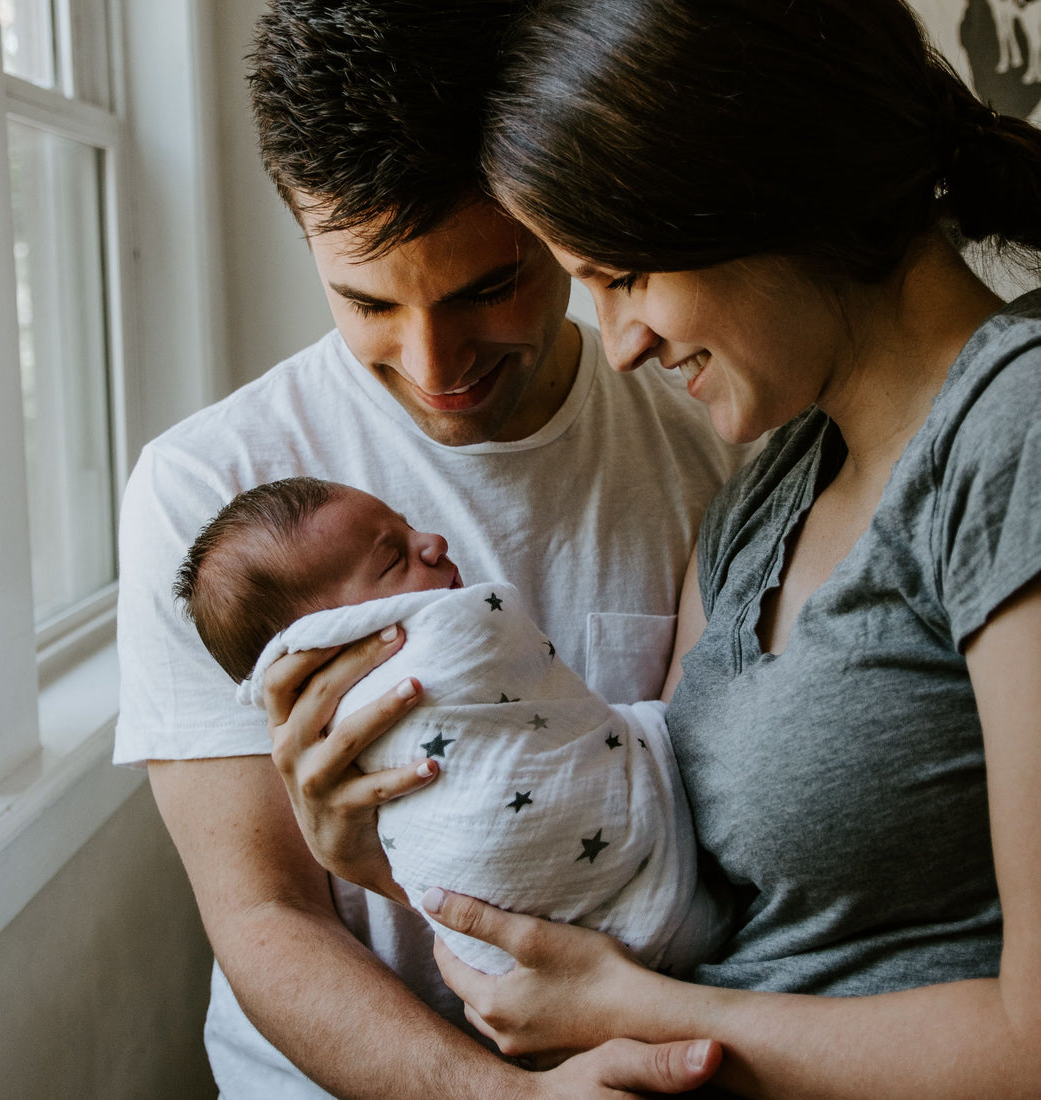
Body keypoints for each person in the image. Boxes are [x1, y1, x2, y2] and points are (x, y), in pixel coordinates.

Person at [298, 0, 1041, 1096]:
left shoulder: (1014, 430)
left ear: (770, 192)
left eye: (626, 276)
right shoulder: (768, 493)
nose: (620, 344)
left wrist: (646, 1014)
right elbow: (668, 878)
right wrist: (398, 852)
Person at [113, 1, 747, 1096]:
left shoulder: (706, 440)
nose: (433, 365)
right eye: (366, 302)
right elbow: (264, 915)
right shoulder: (208, 493)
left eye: (487, 288)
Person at [175, 476, 728, 977]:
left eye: (408, 525)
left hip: (527, 969)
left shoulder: (702, 469)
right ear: (331, 635)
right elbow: (261, 916)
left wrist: (368, 864)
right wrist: (350, 856)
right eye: (392, 560)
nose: (434, 541)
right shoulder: (191, 478)